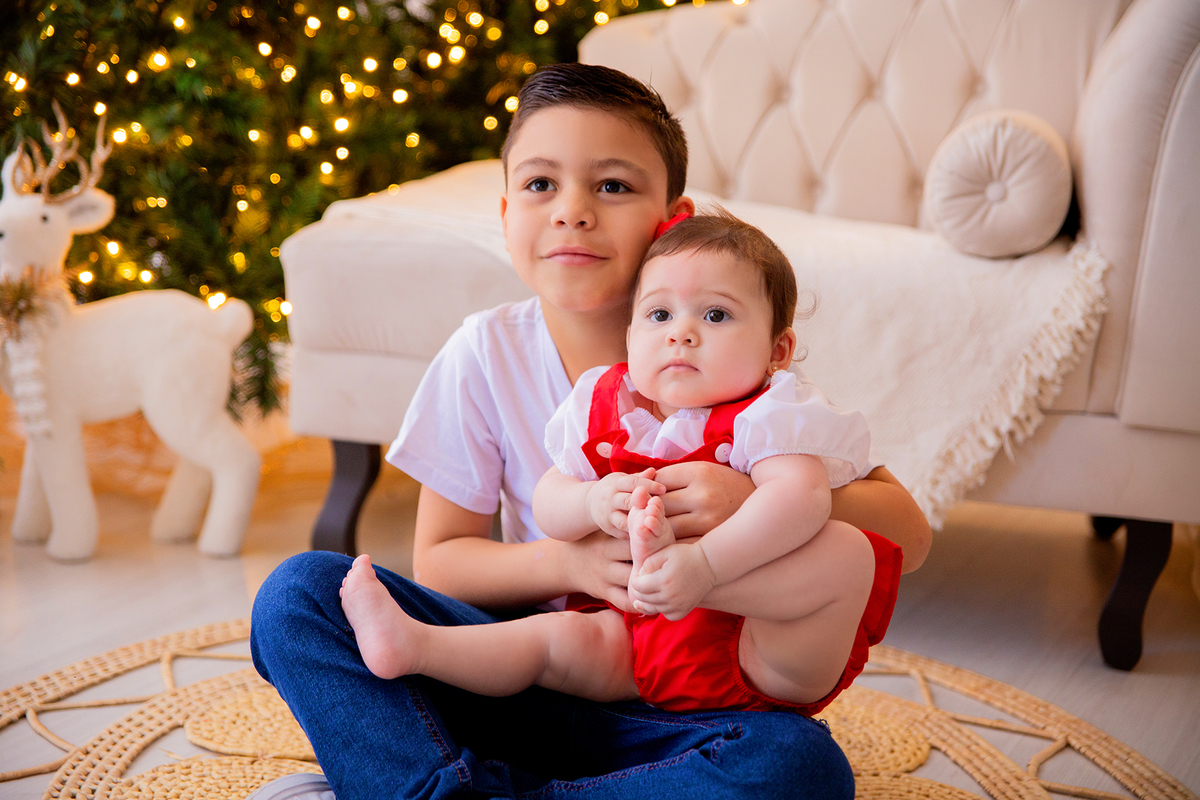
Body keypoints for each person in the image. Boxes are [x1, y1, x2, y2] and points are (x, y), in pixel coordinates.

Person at [250, 63, 932, 800]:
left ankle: (434, 789)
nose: (572, 211)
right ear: (507, 213)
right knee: (298, 595)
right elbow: (442, 563)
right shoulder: (484, 355)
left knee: (799, 769)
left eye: (612, 186)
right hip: (513, 677)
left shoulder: (734, 360)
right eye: (542, 185)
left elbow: (909, 537)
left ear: (675, 217)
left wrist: (747, 498)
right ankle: (445, 780)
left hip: (680, 718)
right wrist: (570, 568)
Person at [339, 210, 902, 721]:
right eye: (659, 314)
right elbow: (550, 499)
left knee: (846, 555)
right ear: (630, 335)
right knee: (549, 642)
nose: (682, 332)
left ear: (778, 351)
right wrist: (589, 502)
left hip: (757, 654)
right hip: (632, 644)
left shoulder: (774, 411)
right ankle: (415, 647)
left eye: (716, 314)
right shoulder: (608, 405)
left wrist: (701, 567)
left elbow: (802, 498)